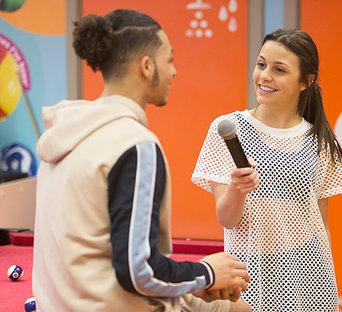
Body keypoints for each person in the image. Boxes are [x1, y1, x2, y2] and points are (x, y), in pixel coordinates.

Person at [32, 9, 251, 312]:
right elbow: (138, 272)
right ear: (146, 66)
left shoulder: (64, 133)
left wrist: (195, 282)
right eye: (169, 60)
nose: (174, 71)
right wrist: (207, 273)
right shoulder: (136, 145)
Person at [192, 29, 342, 311]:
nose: (264, 76)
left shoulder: (321, 141)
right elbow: (227, 219)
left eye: (279, 69)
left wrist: (328, 287)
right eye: (261, 64)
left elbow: (321, 224)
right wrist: (238, 190)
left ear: (306, 81)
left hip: (310, 274)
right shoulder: (228, 129)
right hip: (249, 275)